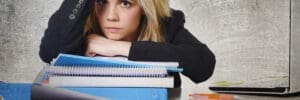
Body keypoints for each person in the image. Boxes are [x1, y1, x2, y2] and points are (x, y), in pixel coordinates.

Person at [39, 0, 216, 87]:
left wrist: (117, 47)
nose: (111, 16)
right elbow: (50, 53)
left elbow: (203, 64)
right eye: (102, 2)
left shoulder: (165, 26)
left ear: (144, 8)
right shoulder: (81, 24)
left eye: (125, 3)